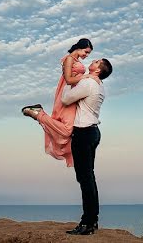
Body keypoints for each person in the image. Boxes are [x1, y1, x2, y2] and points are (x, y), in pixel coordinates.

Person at [24, 56, 113, 236]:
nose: (92, 61)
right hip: (93, 132)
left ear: (98, 70)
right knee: (88, 178)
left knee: (85, 179)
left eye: (96, 62)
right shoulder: (98, 85)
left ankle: (87, 223)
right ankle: (92, 221)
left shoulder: (89, 84)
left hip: (84, 134)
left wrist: (73, 79)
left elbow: (65, 99)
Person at [22, 38, 94, 167]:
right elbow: (68, 79)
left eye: (88, 54)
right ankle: (39, 114)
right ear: (80, 47)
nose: (86, 55)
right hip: (66, 94)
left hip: (74, 96)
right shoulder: (69, 59)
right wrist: (86, 76)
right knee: (67, 130)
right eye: (86, 52)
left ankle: (39, 113)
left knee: (70, 130)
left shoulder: (75, 60)